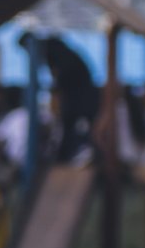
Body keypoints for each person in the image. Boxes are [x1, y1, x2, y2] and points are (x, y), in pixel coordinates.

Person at [22, 33, 101, 163]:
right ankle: (69, 156)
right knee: (73, 128)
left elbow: (59, 79)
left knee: (70, 127)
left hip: (80, 97)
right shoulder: (58, 51)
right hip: (82, 95)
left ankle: (65, 158)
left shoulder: (51, 52)